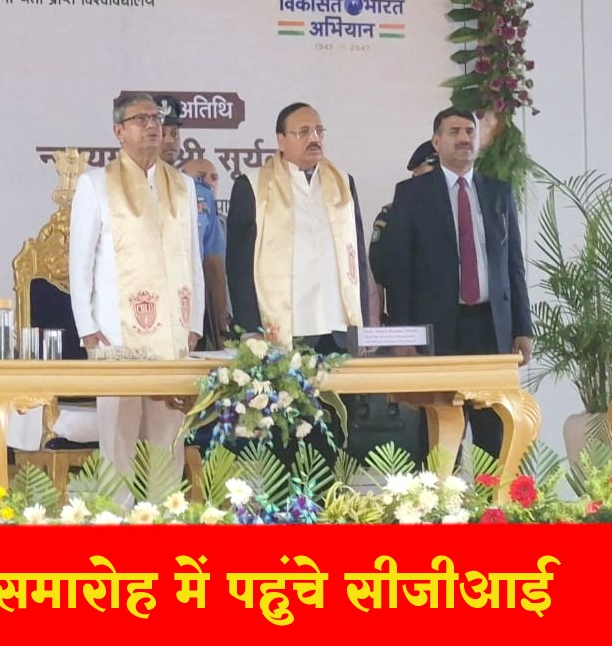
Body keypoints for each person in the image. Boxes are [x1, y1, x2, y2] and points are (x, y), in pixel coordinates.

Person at [381, 107, 534, 459]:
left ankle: (492, 496)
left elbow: (513, 265)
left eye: (469, 131)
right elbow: (400, 272)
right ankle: (437, 495)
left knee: (493, 434)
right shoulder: (412, 194)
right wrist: (405, 336)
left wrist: (522, 327)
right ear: (436, 142)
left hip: (490, 329)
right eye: (454, 132)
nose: (464, 138)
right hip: (438, 330)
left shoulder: (498, 192)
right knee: (439, 434)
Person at [224, 102, 369, 459]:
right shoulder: (252, 186)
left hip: (335, 329)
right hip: (282, 333)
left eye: (318, 131)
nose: (313, 138)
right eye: (303, 132)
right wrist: (250, 328)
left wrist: (362, 325)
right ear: (281, 140)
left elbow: (357, 257)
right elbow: (238, 265)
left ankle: (330, 493)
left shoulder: (342, 183)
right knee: (285, 433)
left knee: (335, 430)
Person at [70, 92, 204, 476]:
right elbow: (79, 263)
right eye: (141, 119)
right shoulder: (95, 184)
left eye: (155, 118)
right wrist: (87, 327)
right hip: (113, 334)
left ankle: (166, 509)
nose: (151, 125)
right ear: (119, 131)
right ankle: (117, 512)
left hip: (173, 333)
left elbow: (192, 257)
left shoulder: (182, 185)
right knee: (119, 439)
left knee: (168, 438)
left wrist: (194, 321)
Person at [369, 141, 437, 324]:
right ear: (416, 172)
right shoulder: (391, 216)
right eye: (433, 164)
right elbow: (377, 276)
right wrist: (374, 324)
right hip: (408, 322)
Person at [178, 156, 229, 350]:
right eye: (199, 178)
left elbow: (216, 270)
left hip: (208, 307)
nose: (208, 184)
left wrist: (222, 328)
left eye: (214, 178)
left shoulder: (225, 221)